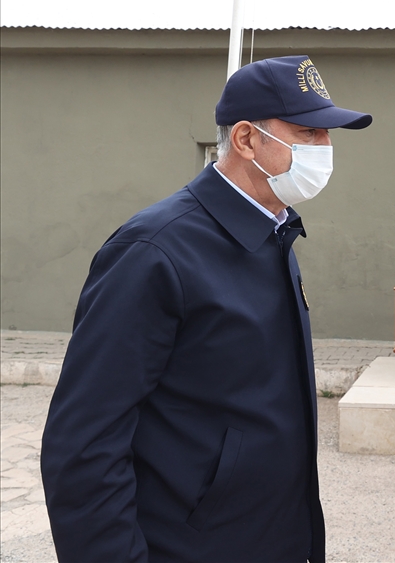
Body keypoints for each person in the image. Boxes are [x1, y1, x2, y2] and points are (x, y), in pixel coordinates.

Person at [41, 55, 371, 563]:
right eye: (308, 133)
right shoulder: (155, 250)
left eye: (328, 136)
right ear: (245, 139)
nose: (324, 150)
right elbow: (84, 443)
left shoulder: (273, 232)